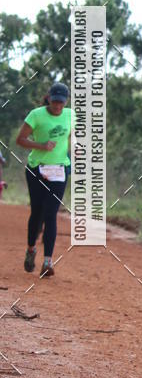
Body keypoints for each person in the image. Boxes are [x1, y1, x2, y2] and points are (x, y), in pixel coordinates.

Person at [16, 82, 73, 278]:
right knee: (37, 213)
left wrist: (75, 153)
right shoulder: (36, 115)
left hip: (59, 170)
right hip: (36, 170)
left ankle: (48, 261)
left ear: (66, 102)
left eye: (61, 103)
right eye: (55, 101)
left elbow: (72, 137)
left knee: (51, 214)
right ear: (49, 98)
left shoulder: (70, 115)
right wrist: (41, 145)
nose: (58, 106)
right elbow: (20, 140)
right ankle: (31, 249)